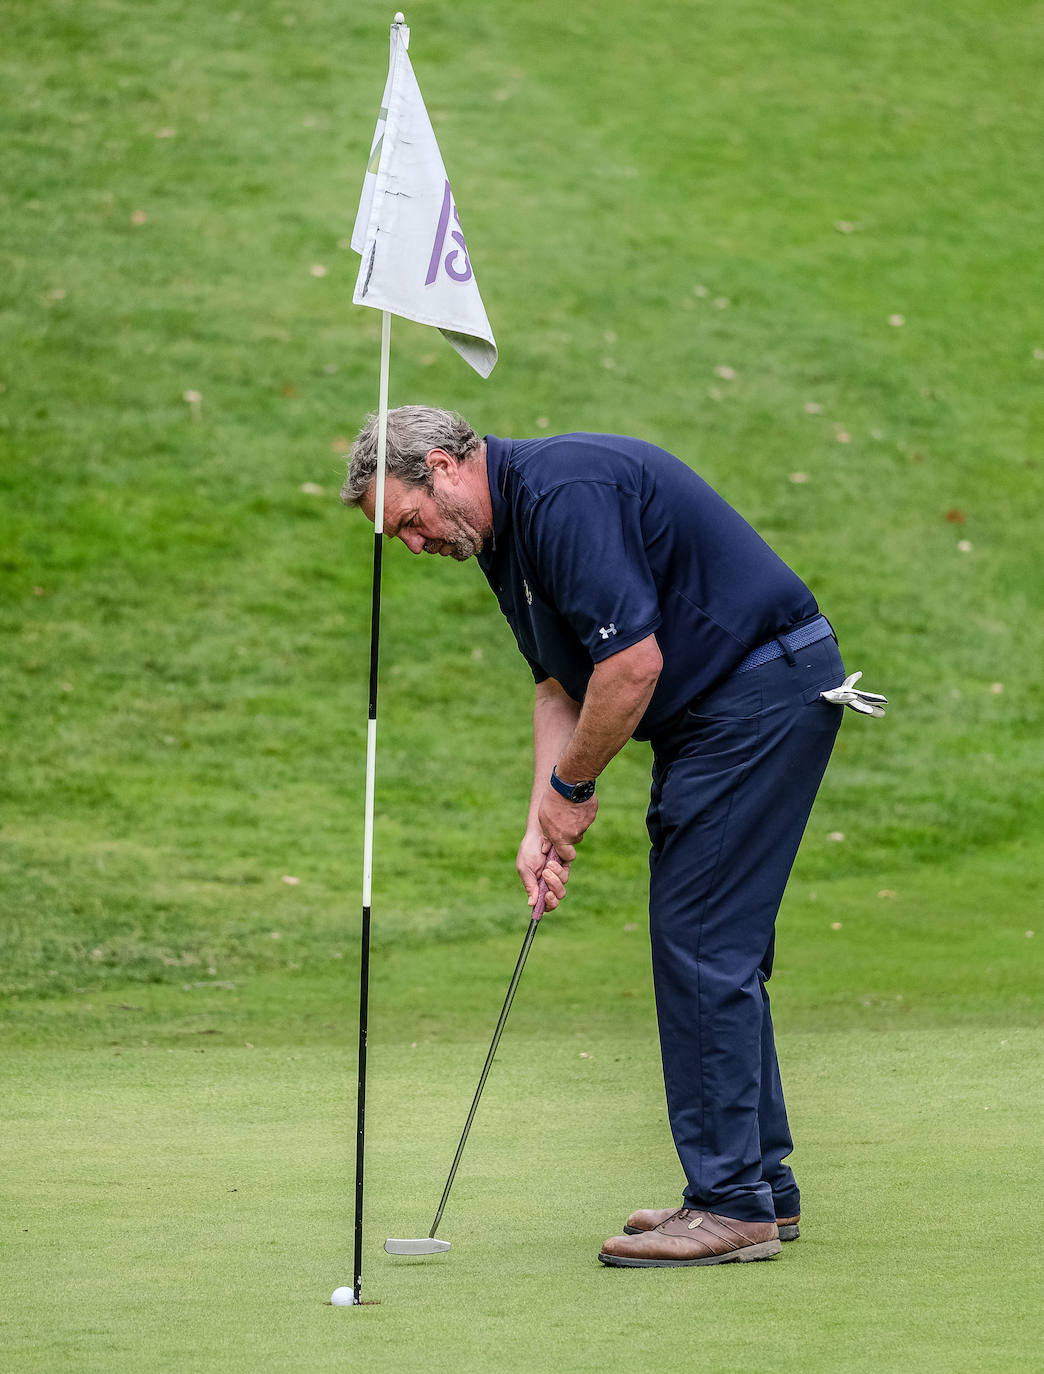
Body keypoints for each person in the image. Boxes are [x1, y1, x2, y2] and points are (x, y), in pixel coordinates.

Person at [342, 405, 883, 1269]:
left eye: (406, 521)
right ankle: (757, 1189)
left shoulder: (563, 494)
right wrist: (540, 823)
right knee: (714, 942)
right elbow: (560, 684)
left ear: (441, 467)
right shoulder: (499, 539)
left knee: (701, 939)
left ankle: (731, 1201)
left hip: (759, 695)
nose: (412, 546)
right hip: (723, 712)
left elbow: (632, 666)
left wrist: (574, 789)